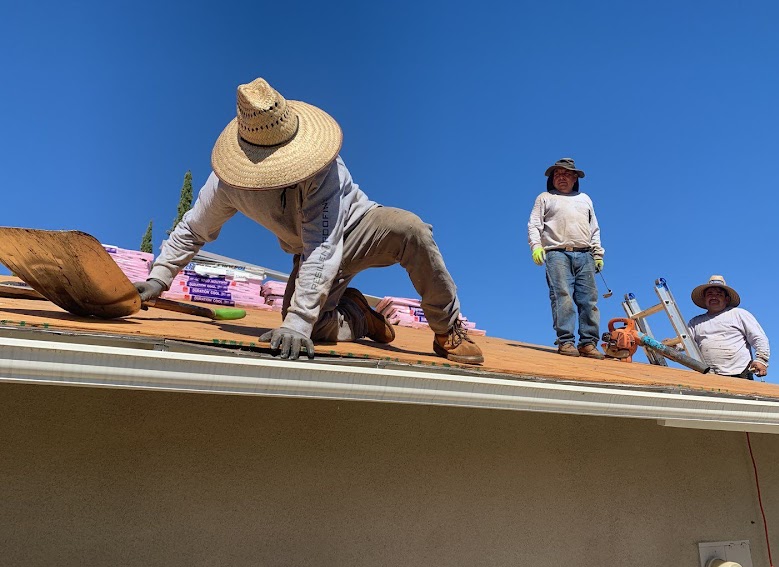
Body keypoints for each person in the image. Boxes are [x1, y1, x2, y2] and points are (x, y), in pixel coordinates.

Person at [135, 77, 483, 364]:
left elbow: (324, 246)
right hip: (311, 248)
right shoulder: (228, 185)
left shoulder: (321, 169)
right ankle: (359, 315)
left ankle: (447, 329)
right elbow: (193, 231)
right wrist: (157, 280)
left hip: (358, 226)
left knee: (411, 230)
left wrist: (298, 322)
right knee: (308, 332)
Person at [527, 158, 605, 359]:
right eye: (557, 174)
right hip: (557, 253)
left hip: (585, 253)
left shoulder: (585, 199)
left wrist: (598, 254)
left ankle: (588, 343)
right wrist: (536, 247)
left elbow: (594, 228)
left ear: (575, 178)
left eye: (566, 174)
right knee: (563, 297)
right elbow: (534, 224)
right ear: (552, 178)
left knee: (589, 300)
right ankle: (566, 341)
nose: (561, 177)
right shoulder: (545, 197)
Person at [688, 275, 769, 379]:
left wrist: (761, 360)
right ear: (704, 299)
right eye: (710, 294)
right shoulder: (695, 322)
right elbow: (684, 341)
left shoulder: (738, 314)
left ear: (726, 299)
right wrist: (671, 345)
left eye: (719, 294)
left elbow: (759, 338)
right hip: (707, 375)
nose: (714, 297)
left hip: (739, 373)